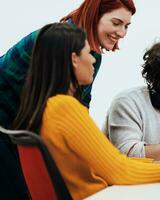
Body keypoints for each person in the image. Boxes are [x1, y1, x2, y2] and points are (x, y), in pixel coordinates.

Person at [12, 23, 160, 200]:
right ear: (74, 59)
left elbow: (111, 164)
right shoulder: (65, 108)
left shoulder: (43, 107)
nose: (92, 61)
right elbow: (118, 171)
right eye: (88, 53)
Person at [0, 0, 135, 198]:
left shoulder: (91, 55)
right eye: (116, 23)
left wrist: (94, 147)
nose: (122, 33)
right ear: (94, 16)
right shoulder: (60, 43)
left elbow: (80, 107)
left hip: (18, 129)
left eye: (126, 26)